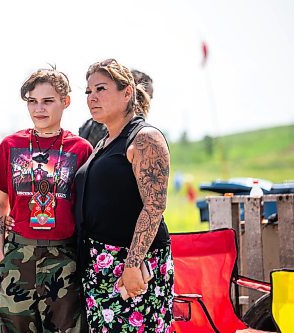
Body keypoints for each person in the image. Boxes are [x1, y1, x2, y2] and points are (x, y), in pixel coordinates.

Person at [0, 66, 93, 332]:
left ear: (65, 102)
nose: (39, 109)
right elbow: (1, 204)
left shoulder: (80, 149)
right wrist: (1, 254)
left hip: (64, 258)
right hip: (18, 256)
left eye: (48, 101)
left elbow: (86, 209)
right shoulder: (11, 145)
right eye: (32, 102)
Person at [75, 58, 174, 332]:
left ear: (127, 92)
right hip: (98, 267)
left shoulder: (144, 138)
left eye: (101, 89)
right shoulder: (102, 143)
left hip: (133, 266)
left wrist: (132, 264)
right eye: (88, 92)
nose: (92, 97)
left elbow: (154, 207)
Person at [78, 69, 154, 148]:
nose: (148, 100)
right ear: (128, 92)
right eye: (88, 92)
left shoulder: (142, 133)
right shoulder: (110, 127)